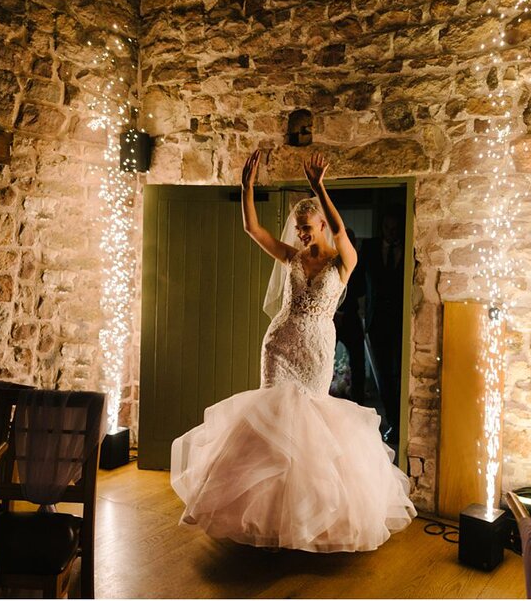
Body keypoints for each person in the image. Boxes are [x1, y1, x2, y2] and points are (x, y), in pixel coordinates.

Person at [170, 149, 416, 552]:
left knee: (309, 423)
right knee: (270, 419)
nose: (301, 234)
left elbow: (340, 231)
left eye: (307, 227)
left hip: (316, 349)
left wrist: (320, 186)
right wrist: (246, 187)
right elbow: (253, 230)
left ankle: (304, 519)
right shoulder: (291, 258)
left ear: (321, 224)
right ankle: (263, 521)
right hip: (279, 344)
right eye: (298, 228)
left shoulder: (343, 261)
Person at [361, 209, 405, 444]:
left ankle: (400, 425)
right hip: (376, 323)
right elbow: (357, 282)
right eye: (387, 227)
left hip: (401, 323)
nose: (392, 232)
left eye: (395, 227)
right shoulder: (369, 248)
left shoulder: (408, 248)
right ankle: (393, 421)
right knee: (383, 378)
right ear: (382, 228)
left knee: (400, 375)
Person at [333, 227, 367, 405]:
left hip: (351, 316)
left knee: (358, 364)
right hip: (330, 318)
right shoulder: (329, 260)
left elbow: (360, 289)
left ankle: (358, 403)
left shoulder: (358, 263)